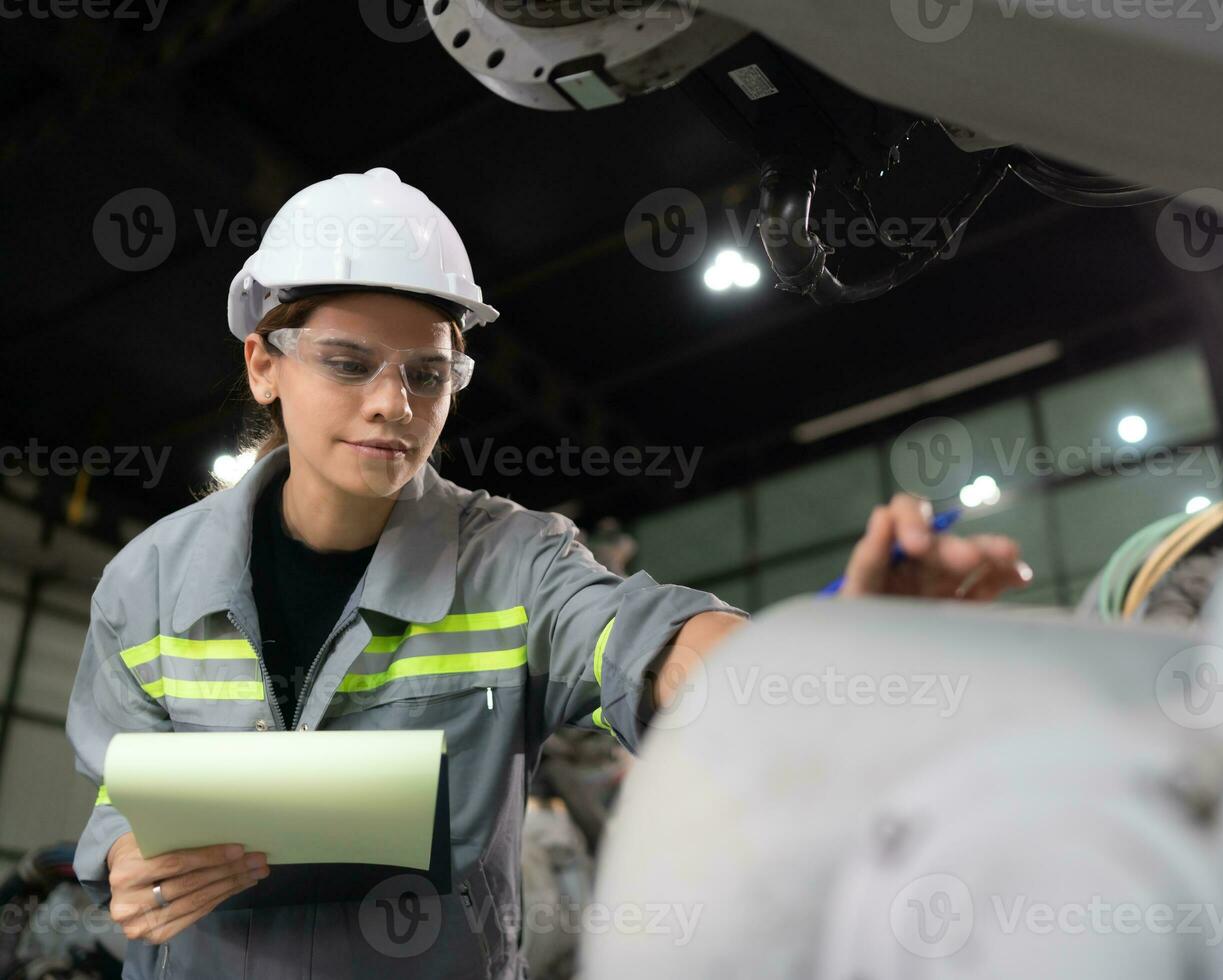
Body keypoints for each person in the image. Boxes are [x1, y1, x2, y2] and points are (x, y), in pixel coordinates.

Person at [64, 169, 1028, 980]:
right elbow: (126, 787)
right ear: (264, 364)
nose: (392, 406)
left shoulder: (512, 561)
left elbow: (638, 637)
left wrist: (810, 665)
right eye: (349, 363)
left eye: (427, 374)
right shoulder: (146, 586)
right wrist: (123, 851)